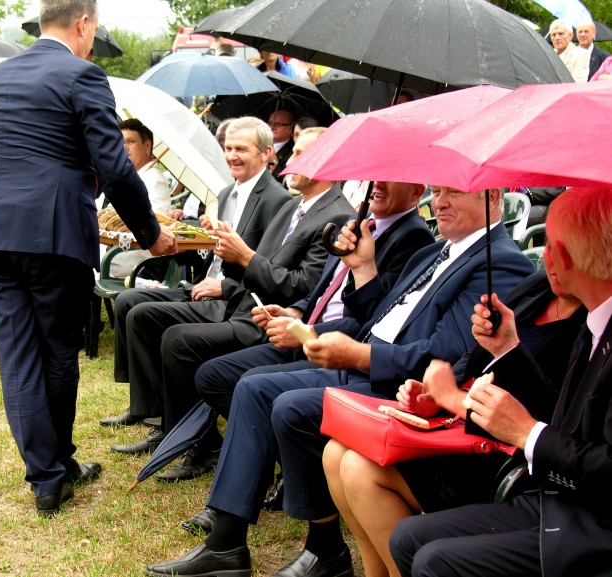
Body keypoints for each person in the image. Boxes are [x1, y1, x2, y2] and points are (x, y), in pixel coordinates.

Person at [144, 186, 534, 577]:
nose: (441, 202)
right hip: (363, 364)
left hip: (402, 387)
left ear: (492, 198)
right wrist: (361, 271)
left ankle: (323, 548)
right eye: (439, 191)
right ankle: (229, 542)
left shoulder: (498, 263)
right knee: (252, 387)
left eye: (455, 193)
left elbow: (443, 358)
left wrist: (358, 355)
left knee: (289, 408)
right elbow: (375, 319)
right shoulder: (433, 252)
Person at [0, 0, 177, 517]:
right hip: (51, 231)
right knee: (57, 350)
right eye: (93, 31)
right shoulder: (83, 74)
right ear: (83, 24)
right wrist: (150, 233)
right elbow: (115, 167)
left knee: (18, 354)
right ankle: (54, 471)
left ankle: (49, 473)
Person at [389, 187, 612, 577]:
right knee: (407, 537)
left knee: (434, 561)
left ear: (562, 257)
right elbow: (560, 414)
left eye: (549, 245)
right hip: (559, 498)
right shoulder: (595, 322)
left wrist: (527, 432)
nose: (545, 257)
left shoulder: (595, 325)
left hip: (594, 523)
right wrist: (507, 349)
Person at [184, 181, 434, 528]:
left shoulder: (413, 238)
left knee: (254, 386)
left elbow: (377, 321)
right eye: (373, 178)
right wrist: (296, 312)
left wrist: (311, 332)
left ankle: (230, 521)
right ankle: (287, 463)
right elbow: (323, 287)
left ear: (417, 191)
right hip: (305, 331)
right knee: (213, 376)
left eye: (390, 179)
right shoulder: (358, 223)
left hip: (337, 348)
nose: (377, 185)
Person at [110, 128, 352, 466]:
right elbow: (257, 264)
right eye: (294, 151)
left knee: (177, 340)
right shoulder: (294, 206)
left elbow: (303, 288)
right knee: (143, 313)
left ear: (327, 161)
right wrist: (224, 248)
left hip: (266, 319)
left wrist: (243, 258)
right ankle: (164, 424)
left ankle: (199, 444)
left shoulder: (336, 215)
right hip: (242, 302)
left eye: (300, 154)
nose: (289, 160)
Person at [323, 268, 584, 577]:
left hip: (504, 460)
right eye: (550, 246)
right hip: (461, 430)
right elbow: (475, 357)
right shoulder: (538, 287)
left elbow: (551, 418)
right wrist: (433, 395)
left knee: (358, 468)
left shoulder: (593, 324)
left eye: (565, 249)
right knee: (334, 453)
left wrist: (454, 399)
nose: (552, 259)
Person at [100, 117, 290, 429]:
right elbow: (211, 249)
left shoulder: (277, 200)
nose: (232, 156)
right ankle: (146, 405)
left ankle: (166, 417)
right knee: (129, 301)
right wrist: (183, 243)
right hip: (203, 284)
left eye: (241, 149)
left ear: (267, 153)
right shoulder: (226, 193)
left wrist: (225, 286)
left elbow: (267, 265)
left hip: (232, 298)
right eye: (228, 148)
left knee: (144, 314)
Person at [108, 118, 172, 279]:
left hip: (130, 261)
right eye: (120, 142)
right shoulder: (125, 177)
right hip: (111, 252)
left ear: (147, 146)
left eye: (130, 141)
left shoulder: (154, 180)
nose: (124, 148)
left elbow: (152, 226)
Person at [549, 19, 589, 83]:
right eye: (554, 35)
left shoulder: (581, 55)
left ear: (570, 36)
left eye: (561, 34)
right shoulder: (548, 54)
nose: (557, 38)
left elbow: (578, 83)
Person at [268, 109, 295, 183]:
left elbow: (282, 181)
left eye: (278, 124)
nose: (273, 127)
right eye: (270, 123)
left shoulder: (293, 152)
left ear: (290, 129)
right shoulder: (259, 145)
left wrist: (274, 163)